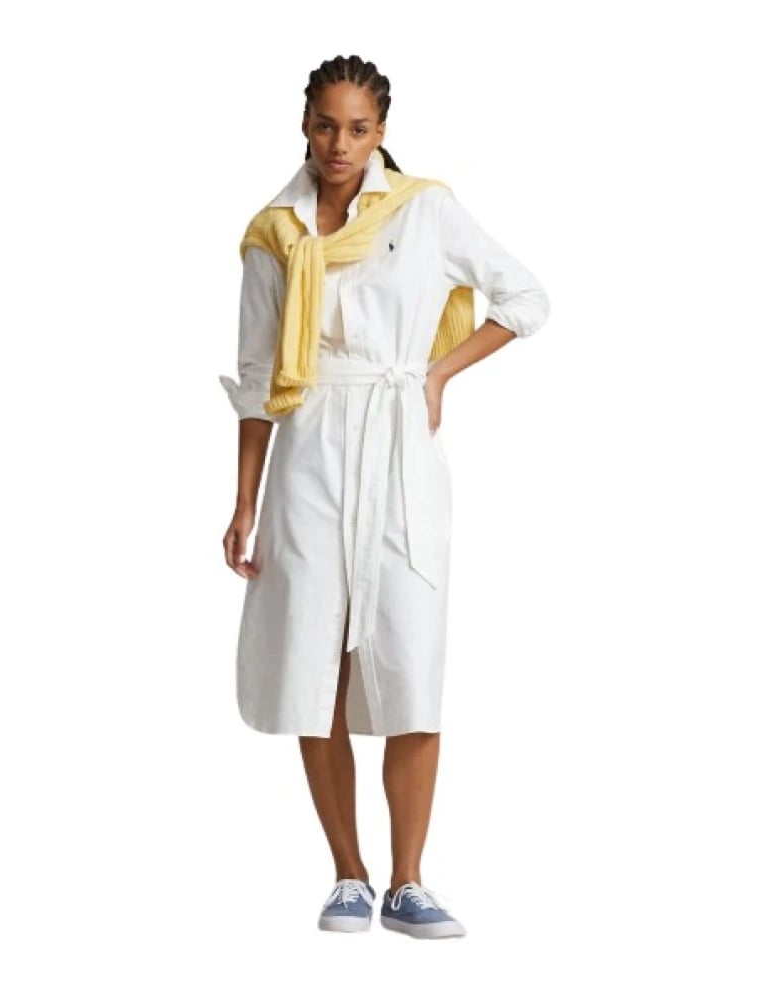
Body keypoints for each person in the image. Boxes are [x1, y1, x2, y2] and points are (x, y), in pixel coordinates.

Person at [219, 54, 550, 939]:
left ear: (382, 131)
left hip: (400, 444)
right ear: (304, 125)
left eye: (358, 128)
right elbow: (256, 379)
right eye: (326, 125)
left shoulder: (424, 209)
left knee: (410, 658)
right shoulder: (273, 232)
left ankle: (409, 881)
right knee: (311, 664)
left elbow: (525, 297)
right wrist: (244, 501)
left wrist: (436, 373)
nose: (340, 144)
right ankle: (348, 874)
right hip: (307, 454)